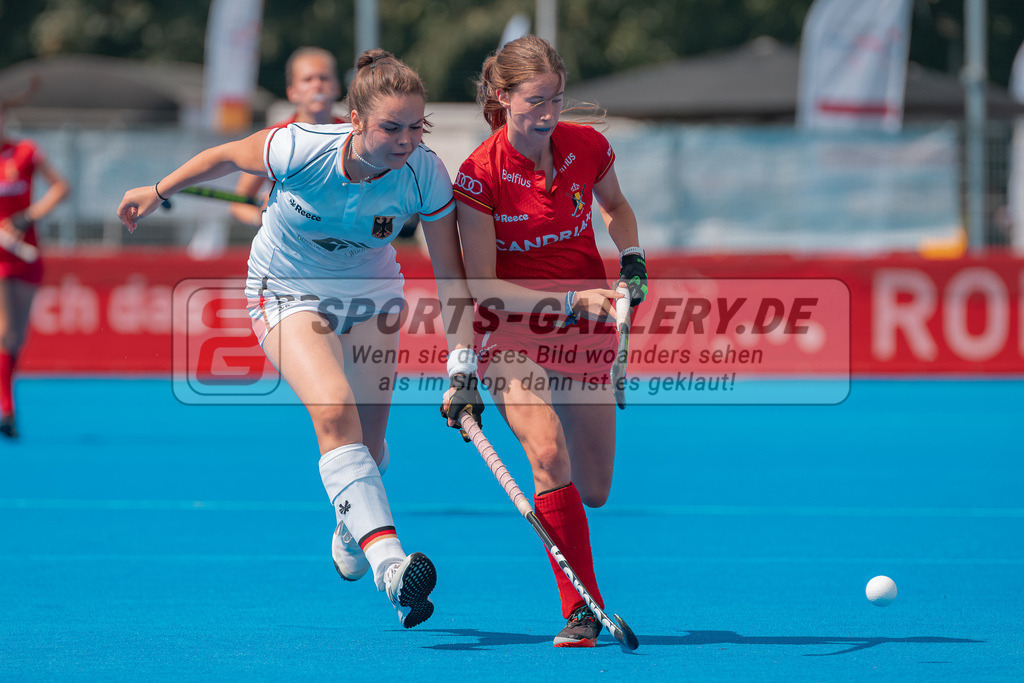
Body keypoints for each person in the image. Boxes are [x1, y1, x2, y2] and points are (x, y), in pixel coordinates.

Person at [117, 49, 481, 629]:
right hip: (284, 289)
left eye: (416, 126)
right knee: (333, 411)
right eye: (391, 127)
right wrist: (158, 190)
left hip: (372, 296)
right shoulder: (298, 146)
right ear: (356, 121)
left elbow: (450, 277)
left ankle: (349, 522)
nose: (406, 140)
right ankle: (390, 565)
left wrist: (462, 365)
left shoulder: (427, 174)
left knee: (371, 446)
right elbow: (222, 155)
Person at [444, 35, 647, 648]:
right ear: (502, 98)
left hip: (584, 331)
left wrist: (631, 258)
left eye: (557, 99)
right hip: (511, 333)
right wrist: (565, 302)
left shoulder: (588, 147)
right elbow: (483, 288)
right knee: (547, 456)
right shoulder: (479, 175)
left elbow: (616, 206)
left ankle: (572, 550)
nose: (550, 114)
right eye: (536, 101)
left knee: (594, 490)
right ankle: (581, 610)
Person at [0, 95, 70, 438]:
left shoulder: (24, 152)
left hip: (26, 253)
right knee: (4, 329)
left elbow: (61, 188)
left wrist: (28, 216)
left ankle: (5, 401)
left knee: (16, 338)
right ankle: (7, 409)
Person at [230, 46, 346, 227]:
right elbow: (239, 202)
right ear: (292, 92)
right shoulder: (272, 138)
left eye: (324, 78)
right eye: (307, 79)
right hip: (289, 246)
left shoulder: (354, 135)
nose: (317, 85)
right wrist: (261, 218)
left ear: (337, 87)